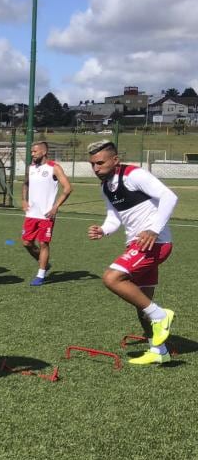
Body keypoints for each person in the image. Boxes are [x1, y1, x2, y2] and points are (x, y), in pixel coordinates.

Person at [86, 140, 178, 366]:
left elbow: (170, 197)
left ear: (115, 160)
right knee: (142, 302)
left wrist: (154, 230)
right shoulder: (106, 187)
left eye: (100, 163)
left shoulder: (134, 175)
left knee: (112, 278)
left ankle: (160, 315)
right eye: (93, 164)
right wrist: (104, 230)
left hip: (154, 243)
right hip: (137, 246)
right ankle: (159, 350)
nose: (96, 168)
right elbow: (114, 217)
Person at [21, 141, 72, 286]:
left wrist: (56, 206)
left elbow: (68, 188)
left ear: (44, 152)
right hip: (31, 214)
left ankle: (41, 274)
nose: (32, 154)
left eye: (35, 151)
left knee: (43, 243)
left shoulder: (54, 168)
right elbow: (25, 184)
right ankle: (44, 263)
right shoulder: (30, 168)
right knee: (26, 242)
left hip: (46, 215)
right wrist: (24, 200)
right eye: (31, 152)